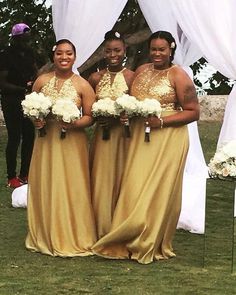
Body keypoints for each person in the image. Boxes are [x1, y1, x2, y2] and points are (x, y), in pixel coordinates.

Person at [92, 31, 200, 264]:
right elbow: (130, 102)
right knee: (135, 184)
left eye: (162, 49)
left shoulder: (179, 75)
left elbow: (193, 112)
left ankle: (149, 240)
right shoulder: (141, 71)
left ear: (171, 49)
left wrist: (161, 121)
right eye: (154, 49)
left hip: (169, 137)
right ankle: (128, 233)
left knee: (158, 188)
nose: (157, 53)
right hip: (140, 135)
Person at [25, 39, 97, 256]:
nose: (64, 57)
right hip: (45, 141)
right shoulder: (41, 81)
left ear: (74, 57)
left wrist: (73, 123)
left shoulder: (83, 85)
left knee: (71, 184)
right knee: (46, 180)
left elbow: (90, 117)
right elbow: (30, 107)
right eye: (59, 54)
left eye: (68, 54)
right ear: (53, 56)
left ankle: (73, 234)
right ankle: (45, 231)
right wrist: (35, 120)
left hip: (72, 144)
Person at [88, 31, 134, 239]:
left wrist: (122, 118)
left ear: (124, 50)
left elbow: (138, 108)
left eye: (117, 50)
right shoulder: (95, 77)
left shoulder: (132, 77)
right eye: (108, 51)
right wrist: (99, 117)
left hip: (125, 136)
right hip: (101, 137)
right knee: (101, 177)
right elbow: (87, 110)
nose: (112, 54)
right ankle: (99, 225)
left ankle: (120, 224)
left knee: (123, 176)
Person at [0, 23, 38, 188]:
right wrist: (23, 88)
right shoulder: (5, 55)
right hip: (11, 100)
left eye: (28, 39)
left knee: (29, 136)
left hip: (28, 100)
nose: (26, 42)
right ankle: (11, 176)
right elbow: (3, 83)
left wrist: (33, 83)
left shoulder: (30, 54)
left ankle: (25, 173)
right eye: (23, 39)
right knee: (15, 137)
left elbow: (36, 71)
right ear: (15, 38)